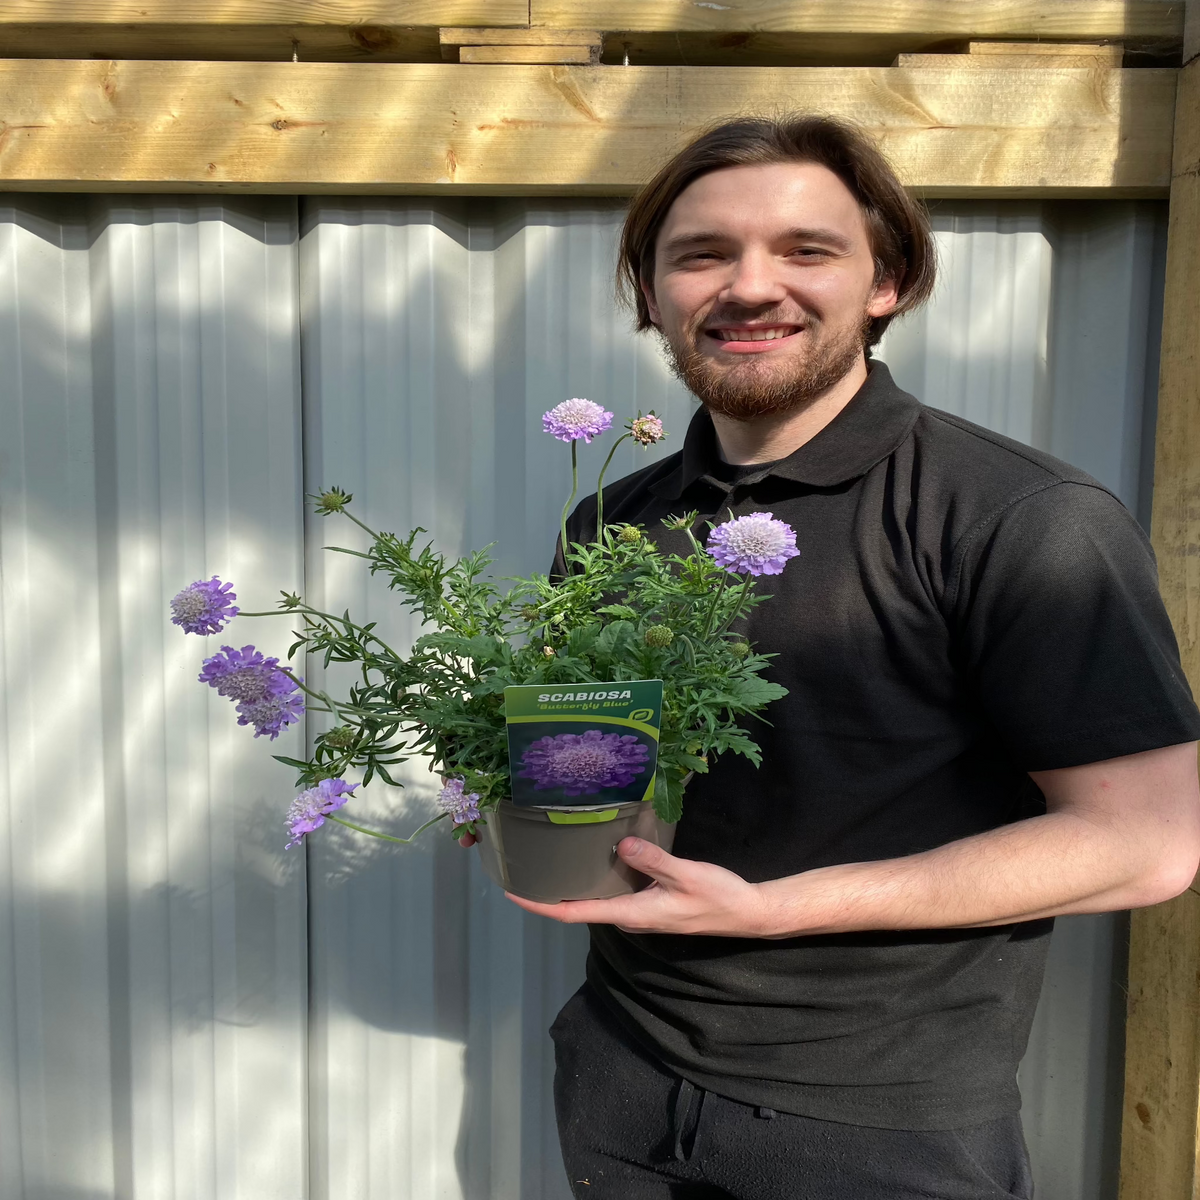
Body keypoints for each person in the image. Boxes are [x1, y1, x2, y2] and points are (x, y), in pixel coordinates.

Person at [496, 116, 1200, 1199]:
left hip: (875, 1121)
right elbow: (620, 767)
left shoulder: (1017, 517)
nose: (750, 286)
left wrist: (775, 908)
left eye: (805, 250)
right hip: (621, 1071)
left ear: (890, 281)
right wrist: (528, 798)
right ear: (651, 294)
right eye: (702, 254)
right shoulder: (616, 520)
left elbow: (1148, 844)